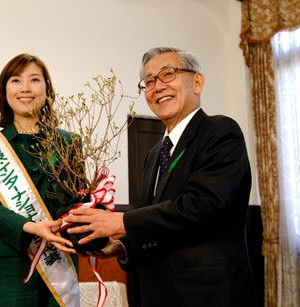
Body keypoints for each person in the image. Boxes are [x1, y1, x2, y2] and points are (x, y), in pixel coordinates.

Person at [64, 47, 259, 307]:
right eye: (149, 81)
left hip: (210, 294)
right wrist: (121, 248)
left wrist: (121, 221)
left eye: (168, 74)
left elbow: (203, 207)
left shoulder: (220, 132)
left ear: (197, 82)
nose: (157, 86)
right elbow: (159, 225)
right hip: (159, 294)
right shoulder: (155, 153)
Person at [0, 54, 79, 307]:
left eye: (35, 80)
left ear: (47, 89)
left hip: (60, 257)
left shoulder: (70, 143)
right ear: (4, 90)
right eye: (16, 80)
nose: (26, 88)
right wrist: (30, 227)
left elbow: (77, 198)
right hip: (9, 257)